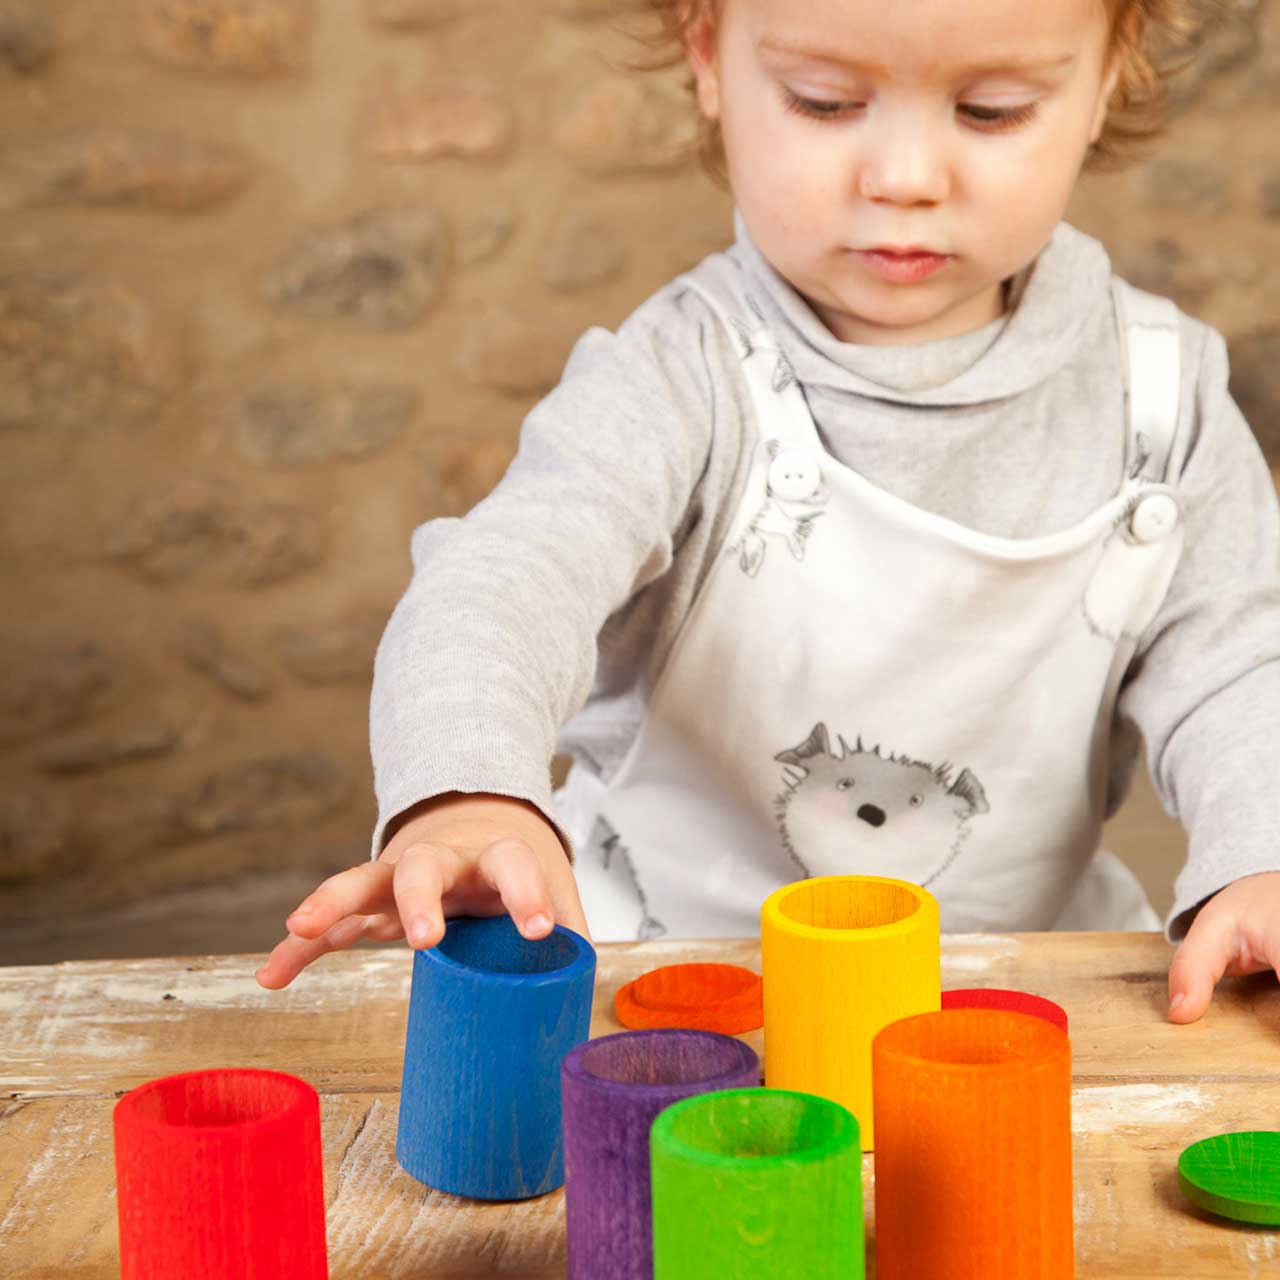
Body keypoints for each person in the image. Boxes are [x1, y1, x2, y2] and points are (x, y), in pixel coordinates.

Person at [256, 0, 1280, 1026]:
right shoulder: (678, 380)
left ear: (1108, 78)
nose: (904, 178)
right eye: (823, 102)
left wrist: (1264, 854)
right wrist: (467, 791)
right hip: (664, 995)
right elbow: (504, 581)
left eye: (989, 110)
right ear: (709, 60)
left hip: (1001, 995)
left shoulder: (1160, 395)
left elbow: (1240, 668)